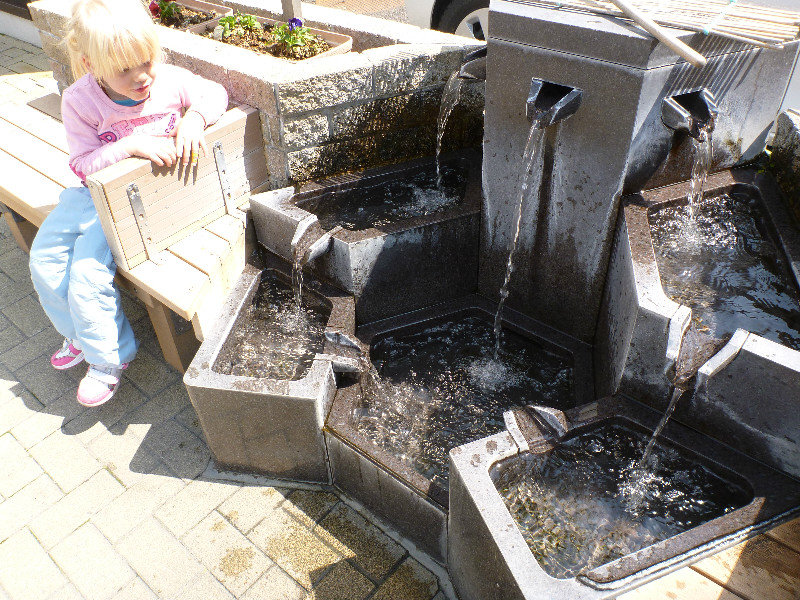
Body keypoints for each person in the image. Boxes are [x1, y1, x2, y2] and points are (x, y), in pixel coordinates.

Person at [29, 0, 228, 407]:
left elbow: (215, 93)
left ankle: (107, 360)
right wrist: (130, 144)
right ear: (90, 64)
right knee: (44, 259)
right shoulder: (79, 101)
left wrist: (193, 120)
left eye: (147, 60)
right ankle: (80, 336)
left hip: (135, 202)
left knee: (87, 273)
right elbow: (82, 165)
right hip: (92, 192)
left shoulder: (169, 81)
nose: (142, 77)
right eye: (124, 70)